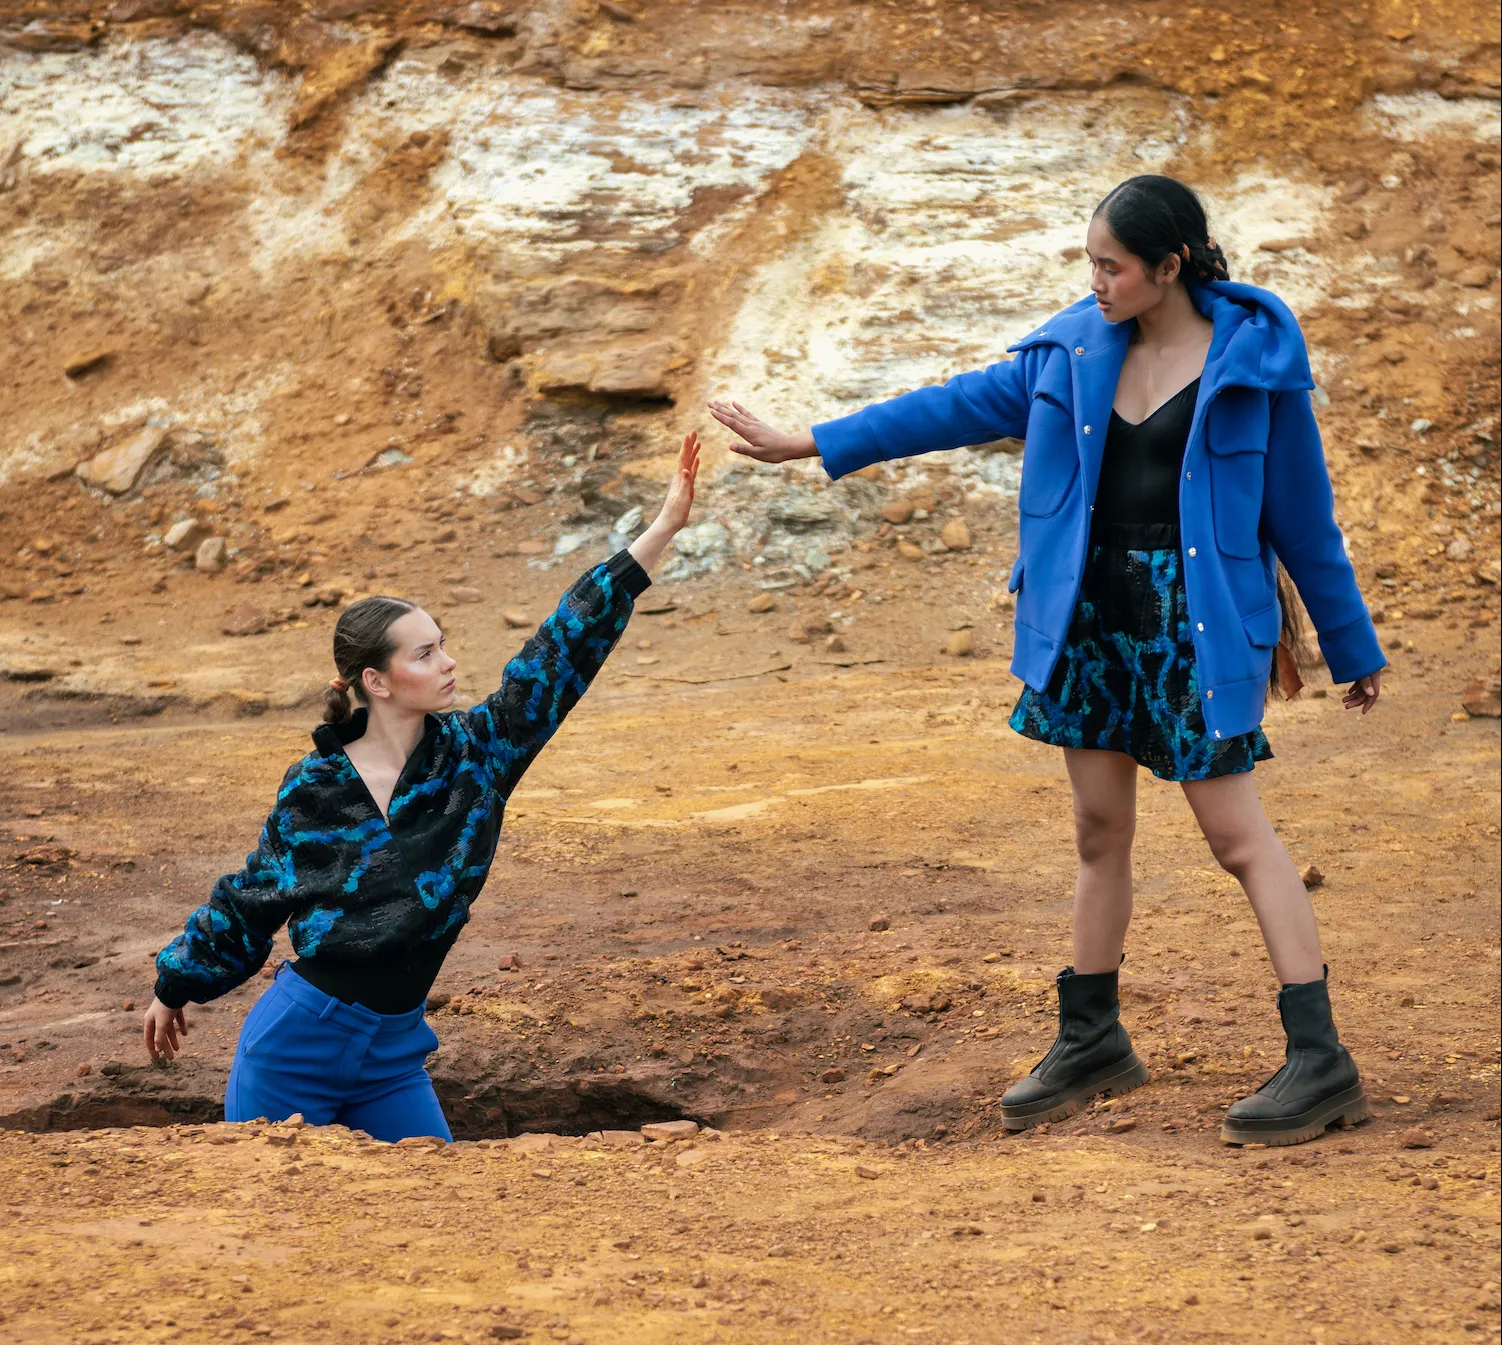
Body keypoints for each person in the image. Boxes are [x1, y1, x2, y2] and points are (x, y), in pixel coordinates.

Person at [709, 177, 1384, 1147]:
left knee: (1236, 836)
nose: (1095, 282)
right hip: (1087, 624)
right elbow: (949, 407)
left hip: (1191, 631)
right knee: (1096, 828)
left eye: (1110, 266)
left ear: (1169, 266)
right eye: (1089, 264)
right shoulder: (1071, 350)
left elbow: (1302, 517)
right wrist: (807, 441)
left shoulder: (1253, 363)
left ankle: (1319, 1058)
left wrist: (1349, 644)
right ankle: (1091, 1037)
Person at [142, 435, 701, 1141]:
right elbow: (251, 900)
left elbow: (561, 650)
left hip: (393, 1055)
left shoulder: (478, 752)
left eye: (444, 644)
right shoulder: (316, 791)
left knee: (433, 1222)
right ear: (376, 681)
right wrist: (175, 983)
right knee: (270, 1232)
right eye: (426, 652)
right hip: (296, 1048)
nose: (448, 662)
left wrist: (661, 530)